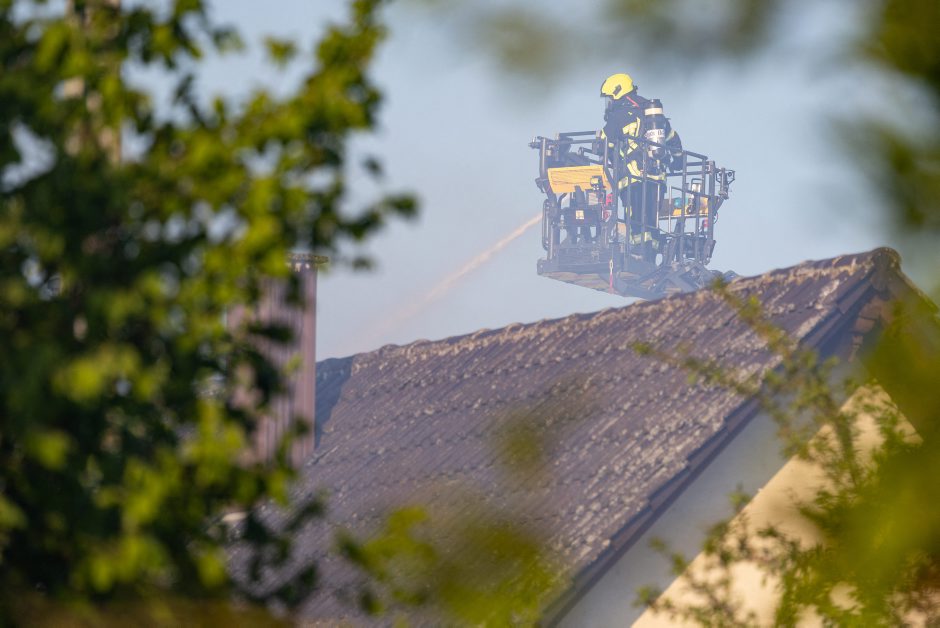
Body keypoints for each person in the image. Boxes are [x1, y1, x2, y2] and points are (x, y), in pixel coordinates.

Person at [599, 73, 682, 262]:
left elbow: (603, 143)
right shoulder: (654, 114)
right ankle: (651, 254)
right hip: (657, 177)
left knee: (635, 218)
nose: (609, 102)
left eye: (610, 98)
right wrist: (677, 161)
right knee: (651, 219)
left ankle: (638, 253)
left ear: (618, 92)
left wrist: (610, 157)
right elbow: (673, 139)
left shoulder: (618, 116)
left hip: (632, 178)